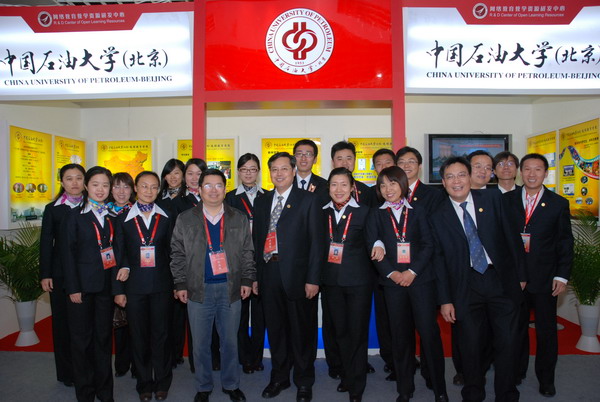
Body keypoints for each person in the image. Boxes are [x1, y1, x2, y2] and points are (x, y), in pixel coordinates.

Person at [430, 157, 526, 402]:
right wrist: (445, 300)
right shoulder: (437, 215)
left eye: (461, 175)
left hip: (500, 281)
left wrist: (521, 276)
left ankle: (507, 394)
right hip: (465, 286)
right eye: (450, 177)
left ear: (470, 177)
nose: (457, 181)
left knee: (507, 342)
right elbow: (438, 261)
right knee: (470, 346)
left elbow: (513, 239)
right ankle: (473, 393)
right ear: (443, 183)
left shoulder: (493, 199)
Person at [170, 168, 255, 402]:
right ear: (199, 189)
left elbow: (247, 251)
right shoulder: (186, 218)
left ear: (225, 189)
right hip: (198, 290)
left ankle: (231, 384)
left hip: (231, 289)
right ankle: (203, 386)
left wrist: (247, 279)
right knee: (200, 345)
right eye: (208, 185)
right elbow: (177, 253)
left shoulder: (238, 217)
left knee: (230, 343)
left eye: (219, 185)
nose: (213, 190)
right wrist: (180, 283)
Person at [253, 152, 326, 402]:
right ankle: (280, 377)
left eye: (284, 168)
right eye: (274, 169)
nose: (279, 173)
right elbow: (257, 241)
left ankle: (304, 381)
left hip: (299, 277)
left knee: (302, 331)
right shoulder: (262, 202)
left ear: (294, 171)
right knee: (276, 330)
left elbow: (318, 243)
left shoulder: (309, 200)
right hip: (269, 273)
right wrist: (256, 276)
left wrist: (313, 279)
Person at [371, 166, 448, 402]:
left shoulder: (419, 210)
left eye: (392, 183)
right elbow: (372, 246)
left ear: (403, 184)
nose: (388, 189)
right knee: (400, 337)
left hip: (421, 282)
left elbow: (428, 244)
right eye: (383, 185)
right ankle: (405, 388)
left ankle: (439, 388)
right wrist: (393, 274)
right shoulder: (375, 214)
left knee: (429, 334)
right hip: (393, 285)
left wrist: (412, 272)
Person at [504, 153, 573, 398]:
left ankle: (546, 379)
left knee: (546, 331)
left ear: (545, 173)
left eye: (538, 169)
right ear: (520, 172)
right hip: (515, 278)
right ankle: (517, 371)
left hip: (545, 278)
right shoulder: (507, 200)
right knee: (516, 329)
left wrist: (562, 276)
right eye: (527, 169)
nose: (532, 174)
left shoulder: (558, 203)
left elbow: (565, 242)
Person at [62, 166, 130, 402]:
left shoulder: (113, 217)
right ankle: (85, 393)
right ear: (86, 186)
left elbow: (118, 253)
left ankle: (105, 392)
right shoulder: (74, 216)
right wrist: (73, 288)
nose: (100, 189)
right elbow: (67, 255)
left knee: (103, 340)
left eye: (105, 185)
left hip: (105, 289)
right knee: (81, 342)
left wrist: (118, 289)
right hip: (81, 290)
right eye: (95, 184)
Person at [321, 167, 381, 402]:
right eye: (334, 184)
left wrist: (379, 244)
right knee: (340, 332)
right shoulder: (321, 212)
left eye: (344, 184)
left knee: (357, 332)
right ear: (329, 188)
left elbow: (374, 238)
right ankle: (347, 374)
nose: (339, 189)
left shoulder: (365, 212)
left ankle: (357, 384)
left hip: (358, 283)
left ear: (352, 188)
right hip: (331, 283)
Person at [113, 171, 174, 401]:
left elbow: (173, 253)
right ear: (136, 188)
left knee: (161, 335)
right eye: (144, 186)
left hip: (161, 285)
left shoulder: (166, 217)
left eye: (154, 187)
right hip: (134, 288)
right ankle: (144, 384)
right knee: (138, 337)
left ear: (159, 189)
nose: (149, 191)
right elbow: (118, 256)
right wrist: (118, 290)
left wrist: (177, 283)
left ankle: (163, 382)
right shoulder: (123, 219)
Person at [330, 141, 380, 377]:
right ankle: (339, 365)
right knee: (337, 326)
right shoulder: (324, 202)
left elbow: (375, 229)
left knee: (357, 327)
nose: (344, 162)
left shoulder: (367, 193)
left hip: (359, 274)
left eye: (349, 158)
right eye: (340, 158)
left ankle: (356, 369)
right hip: (332, 275)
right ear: (333, 162)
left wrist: (378, 244)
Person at [395, 146, 445, 386]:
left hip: (423, 273)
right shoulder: (389, 192)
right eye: (402, 162)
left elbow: (435, 237)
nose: (406, 166)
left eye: (411, 161)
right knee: (401, 331)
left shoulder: (433, 195)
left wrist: (414, 269)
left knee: (427, 329)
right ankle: (404, 381)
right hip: (396, 275)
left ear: (420, 165)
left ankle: (432, 375)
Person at [40, 163, 85, 389]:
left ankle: (86, 368)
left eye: (79, 178)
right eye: (69, 178)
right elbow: (46, 242)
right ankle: (67, 372)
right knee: (62, 324)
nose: (74, 183)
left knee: (84, 325)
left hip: (86, 273)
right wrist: (45, 273)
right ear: (62, 182)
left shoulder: (93, 206)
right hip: (60, 275)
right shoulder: (53, 209)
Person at [225, 153, 266, 374]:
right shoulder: (230, 198)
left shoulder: (268, 196)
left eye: (253, 169)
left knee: (260, 315)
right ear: (238, 172)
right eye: (244, 169)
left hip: (262, 262)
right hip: (238, 263)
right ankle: (244, 358)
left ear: (258, 172)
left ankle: (256, 358)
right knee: (239, 315)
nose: (248, 173)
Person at [171, 158, 212, 373]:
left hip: (213, 268)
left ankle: (213, 359)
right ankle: (195, 363)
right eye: (190, 173)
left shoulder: (215, 199)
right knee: (191, 319)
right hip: (188, 269)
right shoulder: (176, 203)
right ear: (184, 177)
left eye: (199, 174)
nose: (195, 178)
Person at [108, 172, 136, 380]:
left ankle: (137, 364)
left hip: (132, 272)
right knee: (117, 320)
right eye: (117, 186)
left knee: (134, 320)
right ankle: (121, 363)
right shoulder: (103, 212)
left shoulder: (137, 212)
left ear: (132, 190)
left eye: (126, 187)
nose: (121, 191)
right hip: (108, 271)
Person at [293, 139, 328, 204]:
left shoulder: (324, 185)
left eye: (308, 154)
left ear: (315, 159)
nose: (303, 158)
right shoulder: (286, 183)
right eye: (299, 154)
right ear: (294, 158)